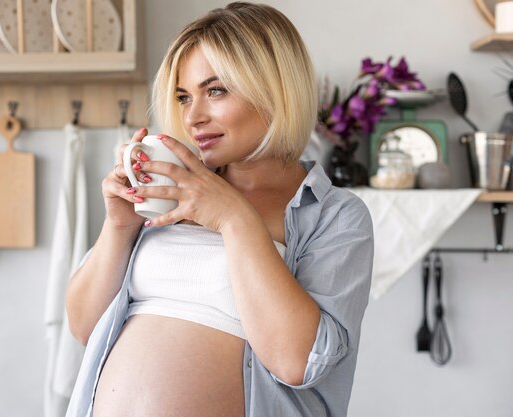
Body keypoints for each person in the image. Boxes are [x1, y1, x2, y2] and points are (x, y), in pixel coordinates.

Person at [64, 2, 373, 417]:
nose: (193, 117)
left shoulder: (335, 216)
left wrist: (232, 217)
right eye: (183, 96)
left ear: (275, 86)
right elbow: (84, 328)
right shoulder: (170, 188)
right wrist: (119, 226)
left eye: (215, 90)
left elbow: (298, 361)